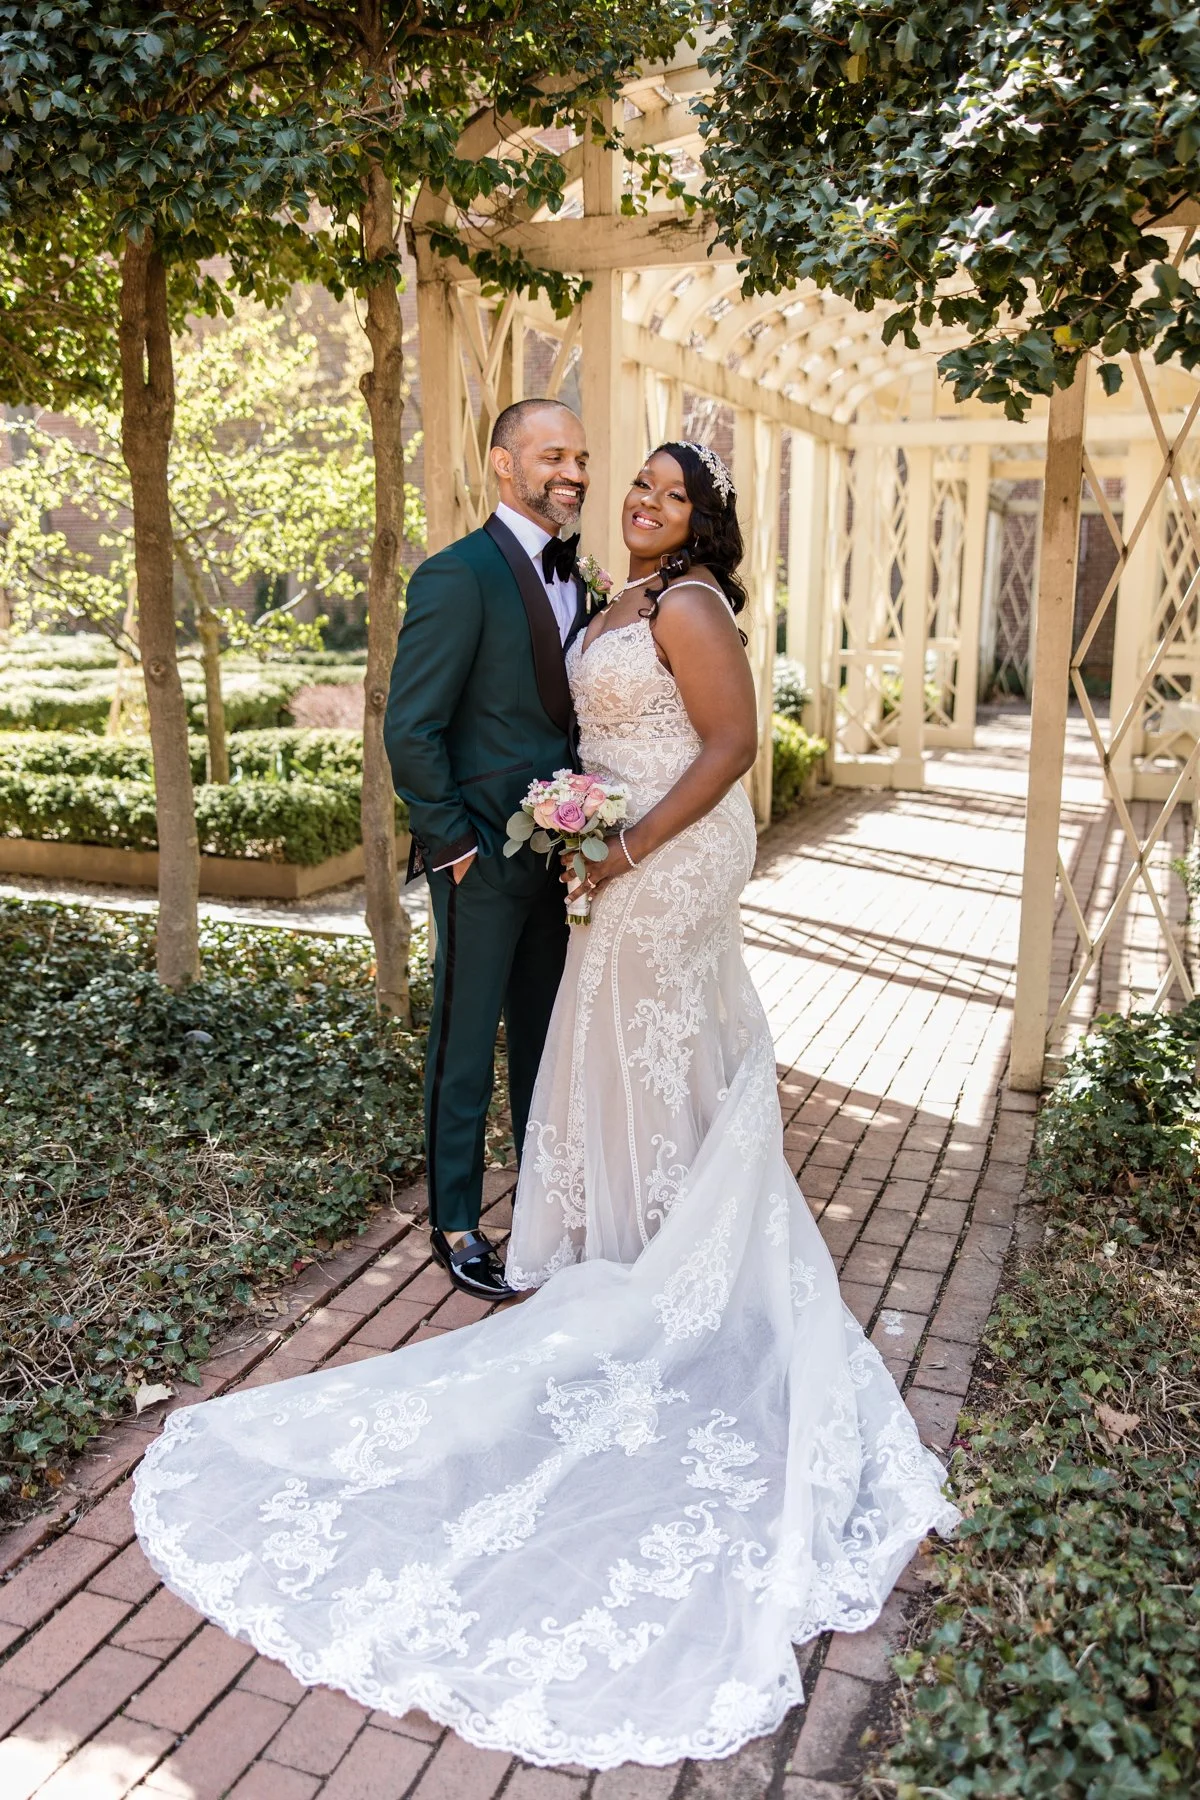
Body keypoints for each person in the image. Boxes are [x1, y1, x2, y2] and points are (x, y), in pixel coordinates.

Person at [133, 442, 958, 1772]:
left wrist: (624, 843)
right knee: (616, 1044)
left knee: (650, 1034)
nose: (640, 502)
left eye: (670, 495)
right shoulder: (612, 593)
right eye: (637, 485)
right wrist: (576, 824)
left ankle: (674, 1254)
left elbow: (733, 745)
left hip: (669, 854)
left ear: (703, 522)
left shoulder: (690, 604)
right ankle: (634, 1237)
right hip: (609, 848)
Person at [383, 398, 591, 1303]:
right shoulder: (455, 575)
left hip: (561, 857)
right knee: (465, 1047)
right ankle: (457, 1222)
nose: (572, 472)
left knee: (546, 1040)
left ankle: (540, 1215)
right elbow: (411, 727)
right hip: (479, 859)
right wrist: (454, 844)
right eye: (553, 456)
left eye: (580, 458)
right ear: (504, 464)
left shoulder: (582, 578)